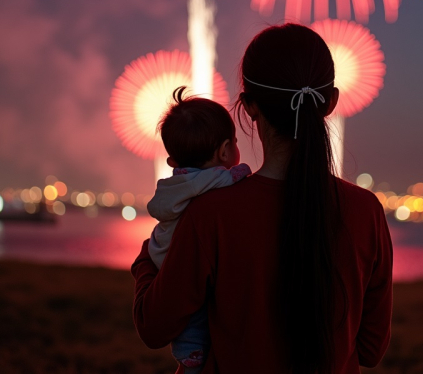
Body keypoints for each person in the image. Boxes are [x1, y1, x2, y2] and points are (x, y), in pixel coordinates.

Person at [132, 23, 393, 374]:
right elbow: (371, 350)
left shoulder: (211, 215)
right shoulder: (366, 212)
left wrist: (148, 260)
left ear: (249, 106)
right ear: (330, 102)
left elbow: (154, 326)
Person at [146, 86, 251, 373]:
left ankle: (186, 352)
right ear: (225, 150)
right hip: (183, 259)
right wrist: (243, 173)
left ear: (172, 162)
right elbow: (234, 178)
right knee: (199, 311)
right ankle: (191, 352)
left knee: (188, 311)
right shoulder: (212, 181)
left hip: (161, 254)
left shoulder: (175, 185)